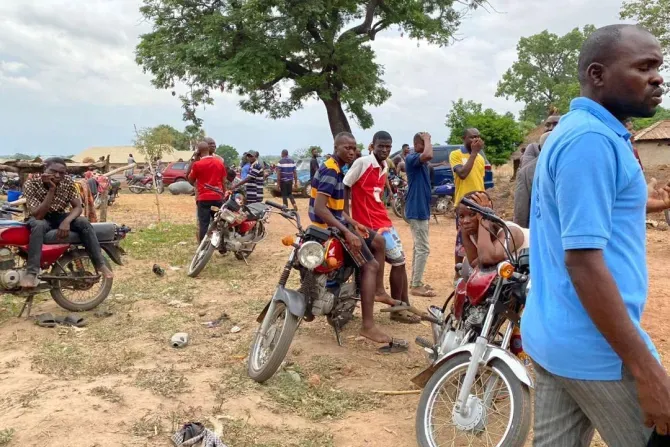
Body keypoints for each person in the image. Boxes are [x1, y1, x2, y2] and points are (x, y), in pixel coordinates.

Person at [522, 24, 670, 446]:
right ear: (597, 74)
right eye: (644, 67)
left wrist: (647, 204)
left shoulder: (584, 131)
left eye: (659, 67)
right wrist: (646, 370)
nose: (658, 77)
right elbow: (583, 262)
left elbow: (590, 209)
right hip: (597, 350)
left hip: (555, 337)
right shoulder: (591, 141)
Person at [311, 131, 406, 352]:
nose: (352, 152)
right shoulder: (330, 171)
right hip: (328, 230)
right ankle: (368, 325)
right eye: (347, 148)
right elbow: (320, 208)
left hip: (339, 224)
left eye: (354, 148)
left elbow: (337, 209)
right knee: (370, 265)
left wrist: (353, 222)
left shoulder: (338, 168)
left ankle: (379, 290)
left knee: (379, 242)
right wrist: (348, 231)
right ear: (336, 147)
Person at [344, 131, 419, 324]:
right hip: (370, 224)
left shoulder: (385, 166)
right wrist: (346, 216)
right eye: (381, 146)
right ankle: (397, 307)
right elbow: (346, 184)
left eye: (388, 146)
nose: (385, 150)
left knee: (400, 261)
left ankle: (403, 304)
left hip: (383, 221)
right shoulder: (363, 163)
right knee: (397, 260)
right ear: (372, 146)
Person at [21, 158, 113, 288]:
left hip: (59, 216)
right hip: (40, 218)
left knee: (83, 222)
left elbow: (77, 207)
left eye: (61, 173)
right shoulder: (31, 184)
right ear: (44, 170)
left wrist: (66, 221)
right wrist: (51, 190)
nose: (58, 176)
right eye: (53, 171)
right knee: (38, 225)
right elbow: (38, 215)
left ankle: (100, 264)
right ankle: (31, 273)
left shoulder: (68, 181)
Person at [449, 128, 486, 281]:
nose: (476, 140)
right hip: (464, 205)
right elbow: (462, 174)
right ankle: (457, 273)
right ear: (464, 138)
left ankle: (477, 270)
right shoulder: (456, 154)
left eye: (478, 136)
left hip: (480, 205)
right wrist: (474, 153)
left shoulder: (480, 158)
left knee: (480, 239)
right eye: (472, 137)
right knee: (462, 241)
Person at [404, 132, 436, 298]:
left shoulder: (421, 162)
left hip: (420, 209)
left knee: (419, 248)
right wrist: (427, 139)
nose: (428, 147)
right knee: (423, 248)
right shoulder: (411, 158)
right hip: (416, 210)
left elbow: (429, 155)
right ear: (417, 145)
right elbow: (429, 153)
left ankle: (416, 281)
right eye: (424, 143)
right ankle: (416, 285)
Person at [188, 141, 227, 242]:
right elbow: (224, 182)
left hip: (203, 199)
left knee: (204, 224)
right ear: (208, 150)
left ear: (199, 151)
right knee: (219, 222)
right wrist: (224, 194)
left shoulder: (197, 164)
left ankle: (202, 248)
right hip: (217, 197)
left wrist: (195, 160)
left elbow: (190, 180)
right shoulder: (219, 162)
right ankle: (221, 245)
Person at [514, 131, 551, 228]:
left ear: (539, 148)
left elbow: (521, 210)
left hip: (539, 228)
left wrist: (521, 233)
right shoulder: (573, 166)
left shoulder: (526, 172)